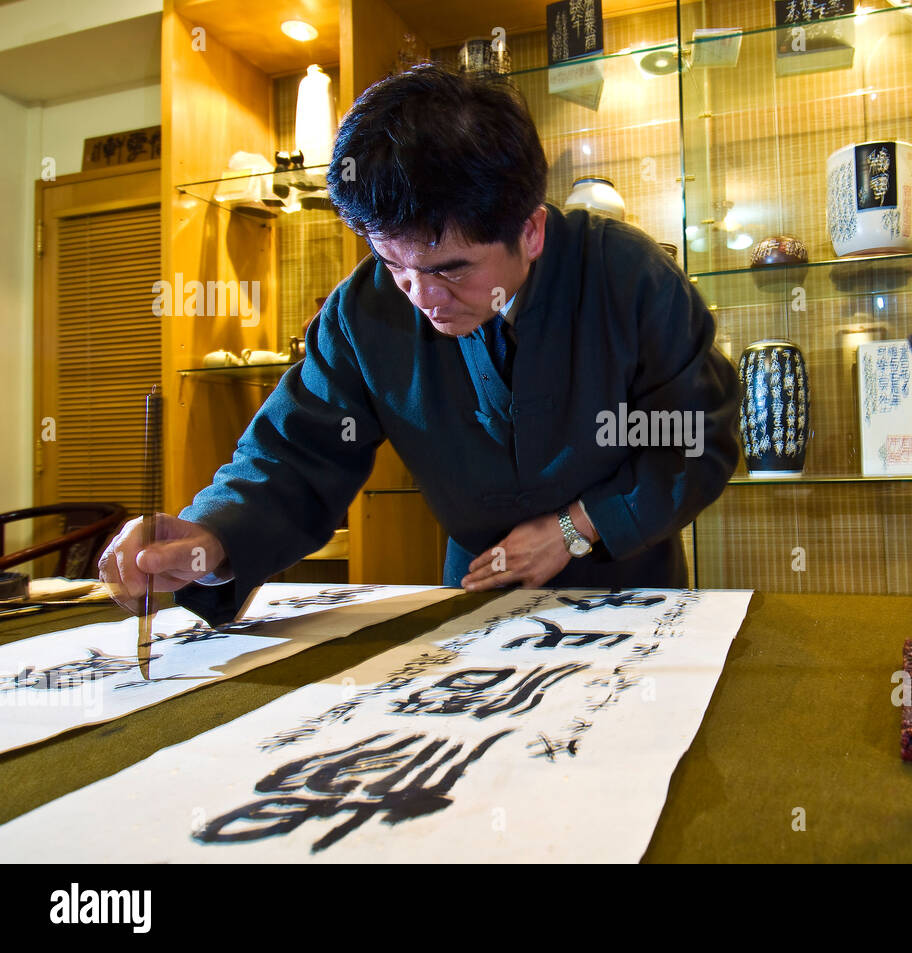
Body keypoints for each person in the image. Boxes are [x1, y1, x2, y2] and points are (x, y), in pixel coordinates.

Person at [99, 64, 740, 626]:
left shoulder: (625, 277)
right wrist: (210, 535)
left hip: (627, 579)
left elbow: (692, 437)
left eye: (451, 269)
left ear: (532, 230)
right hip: (478, 592)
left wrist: (577, 527)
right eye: (394, 264)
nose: (420, 296)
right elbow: (296, 453)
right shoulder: (365, 308)